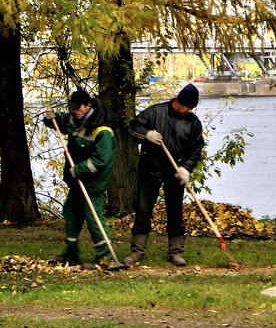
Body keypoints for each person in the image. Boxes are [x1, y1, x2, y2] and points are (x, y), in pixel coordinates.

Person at [123, 83, 204, 267]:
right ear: (178, 101)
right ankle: (137, 251)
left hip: (174, 172)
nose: (189, 110)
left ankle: (176, 252)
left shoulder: (193, 123)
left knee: (175, 212)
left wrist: (186, 168)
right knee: (143, 210)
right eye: (188, 107)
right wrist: (147, 134)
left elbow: (196, 149)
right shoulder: (155, 112)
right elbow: (133, 126)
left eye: (192, 108)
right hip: (149, 169)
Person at [47, 89, 121, 269]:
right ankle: (71, 253)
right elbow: (64, 121)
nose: (74, 111)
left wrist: (77, 170)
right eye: (71, 107)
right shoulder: (76, 118)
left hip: (94, 180)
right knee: (71, 211)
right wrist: (52, 118)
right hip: (77, 179)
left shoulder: (103, 130)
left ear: (88, 106)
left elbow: (101, 160)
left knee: (93, 216)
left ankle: (106, 257)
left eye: (77, 108)